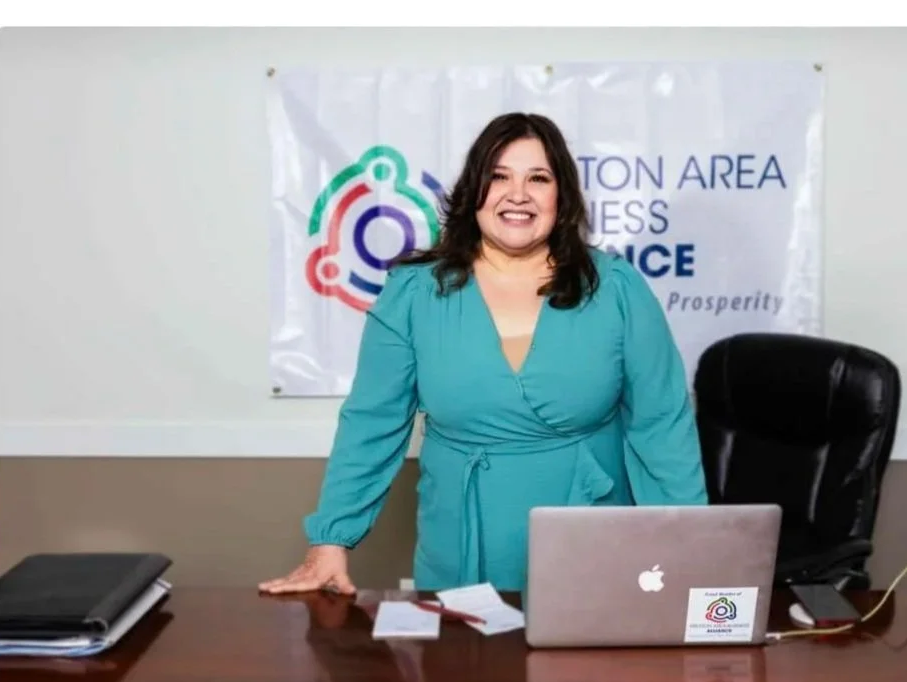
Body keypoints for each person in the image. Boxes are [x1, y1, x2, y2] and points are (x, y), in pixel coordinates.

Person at [259, 112, 708, 597]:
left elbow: (662, 424)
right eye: (499, 176)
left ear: (562, 196)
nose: (518, 194)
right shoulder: (412, 293)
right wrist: (330, 538)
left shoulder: (617, 288)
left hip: (592, 547)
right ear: (473, 189)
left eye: (538, 178)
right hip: (460, 548)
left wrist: (693, 547)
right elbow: (372, 422)